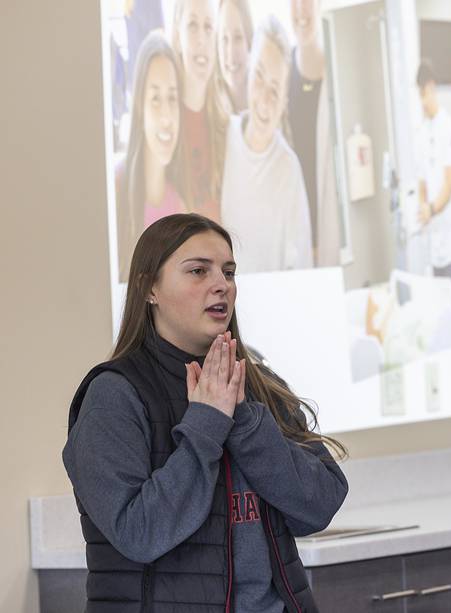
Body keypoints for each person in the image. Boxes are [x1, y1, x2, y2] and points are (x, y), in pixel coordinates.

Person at [63, 213, 348, 612]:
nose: (221, 285)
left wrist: (244, 418)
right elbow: (139, 534)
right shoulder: (113, 394)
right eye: (198, 271)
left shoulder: (257, 385)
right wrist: (209, 423)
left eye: (228, 272)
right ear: (149, 289)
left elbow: (318, 506)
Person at [220, 16, 313, 272]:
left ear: (284, 101)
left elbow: (302, 264)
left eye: (275, 88)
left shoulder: (289, 169)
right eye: (259, 75)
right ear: (249, 69)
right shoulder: (224, 136)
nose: (264, 97)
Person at [116, 31, 186, 283]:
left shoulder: (182, 206)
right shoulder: (116, 187)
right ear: (139, 106)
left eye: (172, 98)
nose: (167, 116)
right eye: (155, 99)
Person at [287, 0, 342, 267]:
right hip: (298, 245)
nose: (301, 9)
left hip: (333, 239)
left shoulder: (338, 74)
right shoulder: (280, 77)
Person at [172, 0, 228, 222]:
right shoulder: (166, 127)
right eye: (192, 25)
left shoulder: (226, 125)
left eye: (208, 27)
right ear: (178, 36)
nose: (201, 39)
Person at [415, 59, 451, 306]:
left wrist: (431, 209)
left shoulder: (447, 127)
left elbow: (448, 185)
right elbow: (423, 182)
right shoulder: (422, 133)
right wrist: (422, 207)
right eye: (418, 95)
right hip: (432, 244)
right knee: (437, 312)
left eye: (423, 93)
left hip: (450, 242)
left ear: (432, 88)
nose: (421, 101)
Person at [215, 0, 253, 114]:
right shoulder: (211, 108)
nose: (231, 52)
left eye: (238, 37)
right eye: (224, 39)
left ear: (249, 42)